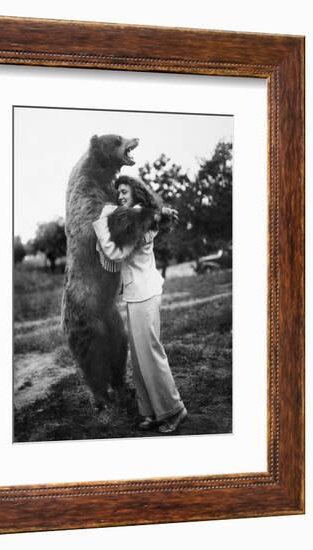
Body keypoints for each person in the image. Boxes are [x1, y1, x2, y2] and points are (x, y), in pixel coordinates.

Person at [92, 175, 187, 433]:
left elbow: (115, 253)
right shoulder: (136, 217)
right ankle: (151, 411)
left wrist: (100, 222)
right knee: (139, 357)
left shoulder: (140, 219)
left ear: (136, 192)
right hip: (136, 293)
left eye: (124, 191)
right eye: (118, 192)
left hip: (144, 293)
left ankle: (173, 409)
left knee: (151, 354)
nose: (120, 196)